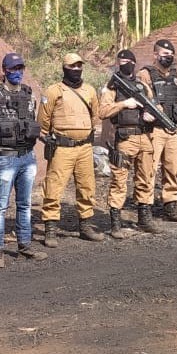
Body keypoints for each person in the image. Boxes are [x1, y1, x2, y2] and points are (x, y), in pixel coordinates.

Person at [0, 54, 47, 268]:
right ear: (5, 70)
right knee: (0, 206)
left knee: (24, 204)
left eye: (21, 67)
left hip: (27, 157)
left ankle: (24, 244)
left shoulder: (29, 95)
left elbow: (32, 120)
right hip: (5, 158)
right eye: (13, 68)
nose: (18, 71)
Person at [39, 52, 105, 247]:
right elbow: (43, 121)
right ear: (64, 68)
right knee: (54, 187)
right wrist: (49, 139)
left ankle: (85, 226)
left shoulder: (90, 91)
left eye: (79, 66)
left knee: (87, 188)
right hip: (62, 148)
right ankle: (50, 229)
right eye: (72, 66)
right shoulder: (53, 91)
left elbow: (95, 117)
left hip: (84, 147)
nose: (76, 70)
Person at [100, 50, 162, 238]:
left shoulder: (143, 86)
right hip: (125, 139)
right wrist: (124, 104)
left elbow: (155, 106)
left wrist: (152, 115)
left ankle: (144, 218)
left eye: (127, 61)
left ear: (134, 63)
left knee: (146, 178)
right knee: (119, 180)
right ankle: (116, 223)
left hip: (145, 137)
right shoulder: (112, 87)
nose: (124, 63)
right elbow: (102, 111)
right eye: (121, 61)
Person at [137, 39, 177, 223]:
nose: (168, 58)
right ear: (155, 55)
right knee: (149, 170)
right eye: (164, 54)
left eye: (170, 55)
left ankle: (170, 206)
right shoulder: (145, 74)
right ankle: (145, 209)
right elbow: (139, 100)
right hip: (153, 131)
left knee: (173, 169)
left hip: (172, 129)